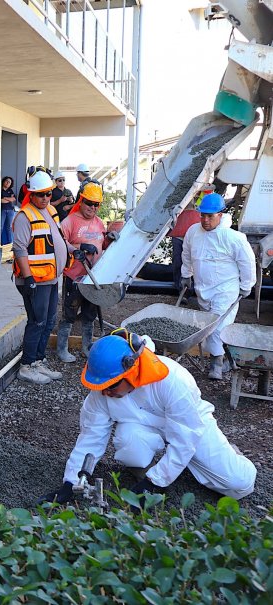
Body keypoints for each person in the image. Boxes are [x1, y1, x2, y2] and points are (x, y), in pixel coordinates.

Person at [38, 330, 257, 505]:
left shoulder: (172, 379)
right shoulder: (104, 390)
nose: (105, 392)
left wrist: (154, 484)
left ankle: (231, 456)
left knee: (238, 485)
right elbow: (91, 436)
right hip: (144, 426)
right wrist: (70, 481)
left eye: (110, 386)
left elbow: (185, 438)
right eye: (101, 386)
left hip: (190, 425)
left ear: (130, 371)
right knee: (129, 443)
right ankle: (159, 466)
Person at [181, 192, 255, 380]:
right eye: (203, 215)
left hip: (225, 290)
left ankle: (217, 363)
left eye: (210, 216)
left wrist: (247, 285)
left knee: (217, 326)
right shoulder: (193, 232)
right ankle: (229, 359)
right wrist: (186, 275)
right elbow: (187, 255)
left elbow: (247, 262)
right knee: (207, 326)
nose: (205, 220)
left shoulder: (233, 238)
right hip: (203, 289)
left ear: (220, 215)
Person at [12, 171, 68, 385]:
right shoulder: (24, 217)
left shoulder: (51, 211)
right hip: (36, 280)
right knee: (37, 321)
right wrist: (28, 279)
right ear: (31, 194)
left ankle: (38, 360)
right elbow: (19, 249)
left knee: (49, 321)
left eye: (48, 193)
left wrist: (75, 249)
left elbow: (58, 239)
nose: (45, 198)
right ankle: (26, 365)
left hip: (51, 278)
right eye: (40, 194)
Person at [56, 182, 113, 363]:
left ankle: (87, 348)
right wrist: (77, 248)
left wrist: (109, 240)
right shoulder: (69, 221)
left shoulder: (98, 223)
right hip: (75, 277)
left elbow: (102, 245)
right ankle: (62, 349)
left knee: (90, 314)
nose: (93, 207)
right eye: (89, 203)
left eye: (96, 204)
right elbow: (58, 242)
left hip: (93, 278)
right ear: (81, 200)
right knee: (70, 313)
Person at [169, 200, 201, 304]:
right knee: (178, 263)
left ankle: (197, 291)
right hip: (179, 236)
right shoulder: (177, 200)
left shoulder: (203, 194)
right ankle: (182, 292)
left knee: (197, 263)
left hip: (195, 237)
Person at [0, 176, 17, 246]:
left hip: (10, 211)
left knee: (9, 227)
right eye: (6, 181)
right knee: (0, 227)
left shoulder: (10, 190)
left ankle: (10, 244)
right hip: (2, 210)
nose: (7, 183)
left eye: (9, 182)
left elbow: (13, 199)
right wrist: (8, 199)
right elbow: (0, 201)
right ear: (3, 181)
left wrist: (5, 198)